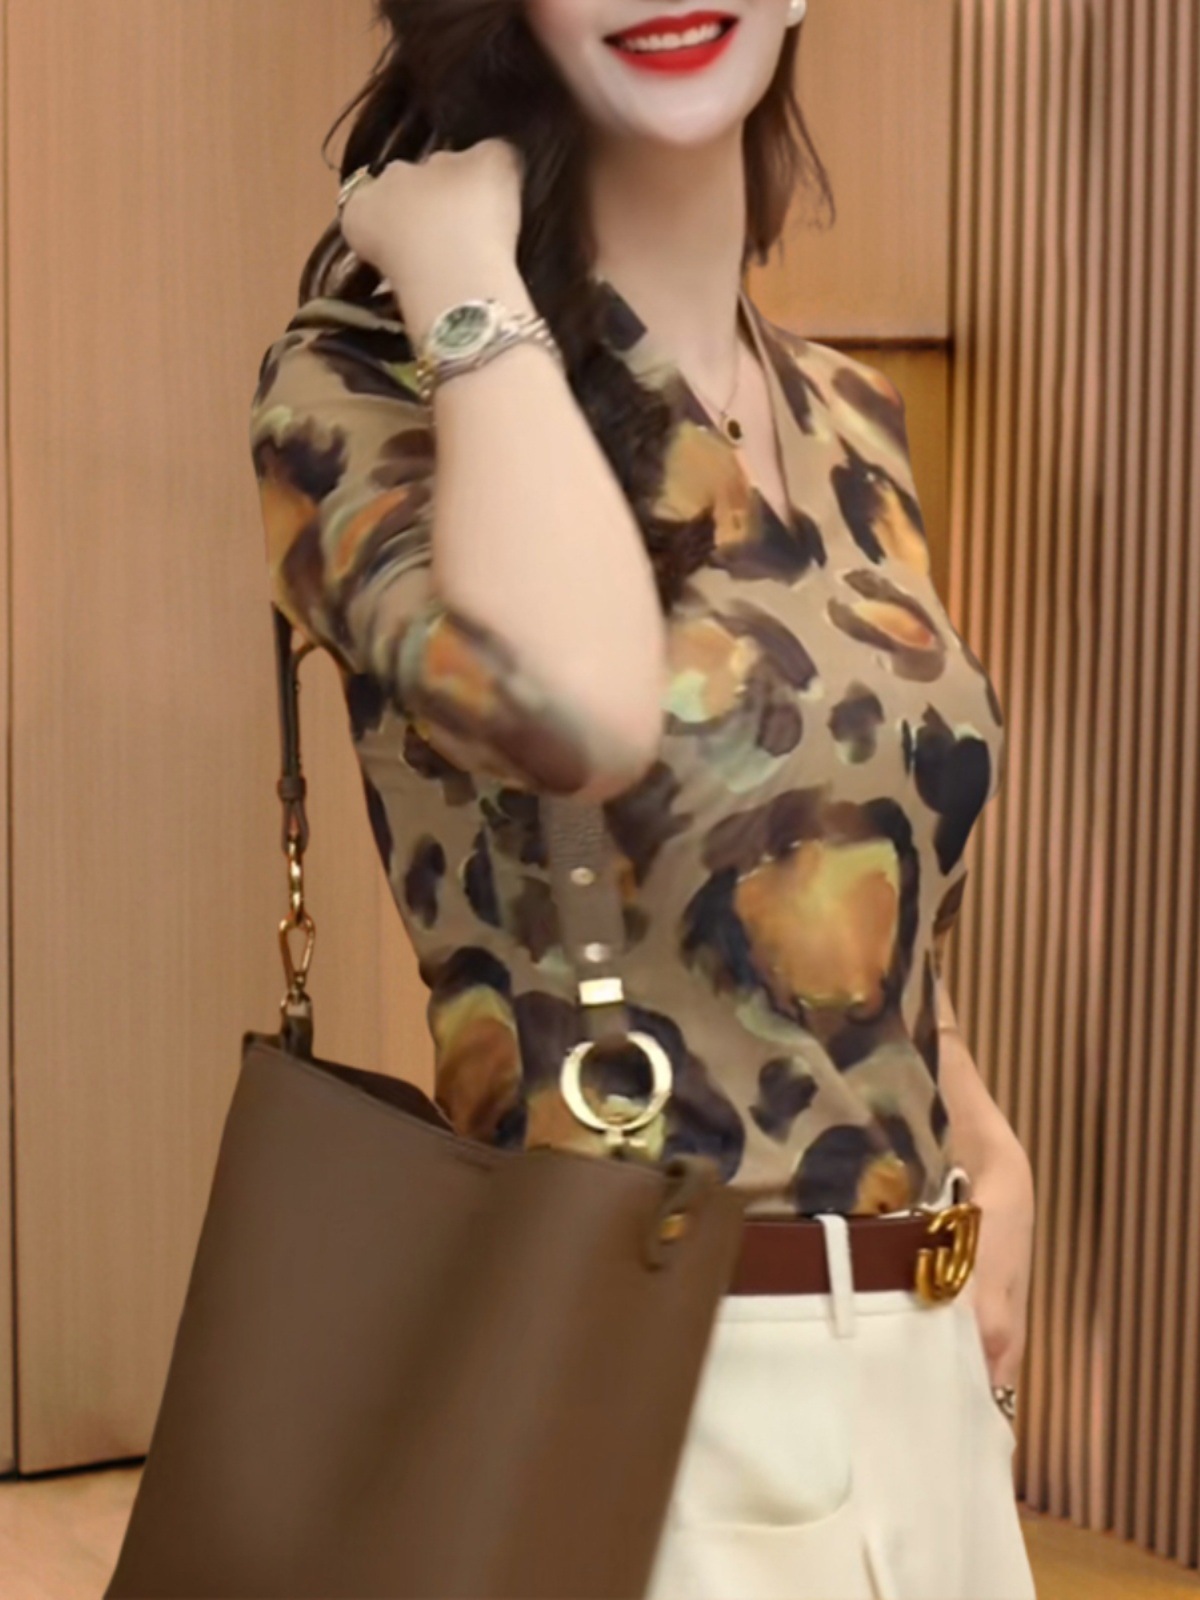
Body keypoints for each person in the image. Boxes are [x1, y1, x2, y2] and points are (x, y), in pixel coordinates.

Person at [248, 2, 1037, 1594]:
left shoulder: (848, 418)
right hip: (639, 1393)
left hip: (928, 1379)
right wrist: (465, 278)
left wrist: (982, 1142)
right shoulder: (373, 392)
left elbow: (844, 853)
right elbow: (586, 715)